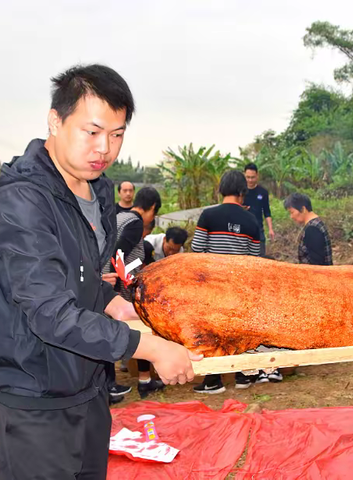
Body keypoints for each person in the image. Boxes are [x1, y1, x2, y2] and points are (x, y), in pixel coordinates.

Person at [0, 64, 202, 480]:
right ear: (55, 121)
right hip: (33, 404)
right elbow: (50, 312)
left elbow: (83, 279)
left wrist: (115, 305)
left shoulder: (98, 192)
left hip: (90, 391)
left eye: (116, 134)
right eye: (91, 132)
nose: (103, 148)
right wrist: (150, 349)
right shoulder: (21, 201)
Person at [191, 170, 282, 392]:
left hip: (213, 287)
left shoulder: (208, 216)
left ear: (221, 189)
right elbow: (255, 259)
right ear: (242, 193)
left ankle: (213, 381)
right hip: (241, 287)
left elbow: (196, 249)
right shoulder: (251, 220)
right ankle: (243, 377)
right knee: (239, 331)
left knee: (212, 332)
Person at [109, 186, 165, 399]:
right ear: (151, 207)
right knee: (140, 329)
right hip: (120, 288)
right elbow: (118, 253)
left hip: (111, 283)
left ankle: (145, 379)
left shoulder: (120, 216)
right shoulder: (135, 222)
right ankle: (141, 381)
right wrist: (129, 281)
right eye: (154, 212)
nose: (152, 218)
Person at [284, 192, 333, 266]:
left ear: (303, 209)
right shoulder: (316, 223)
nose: (291, 216)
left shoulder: (312, 229)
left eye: (292, 212)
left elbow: (317, 263)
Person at [243, 162, 275, 256]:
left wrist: (270, 229)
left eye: (252, 177)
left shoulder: (263, 192)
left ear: (257, 175)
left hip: (258, 229)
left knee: (260, 258)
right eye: (248, 177)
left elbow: (267, 211)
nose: (250, 180)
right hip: (243, 230)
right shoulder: (240, 191)